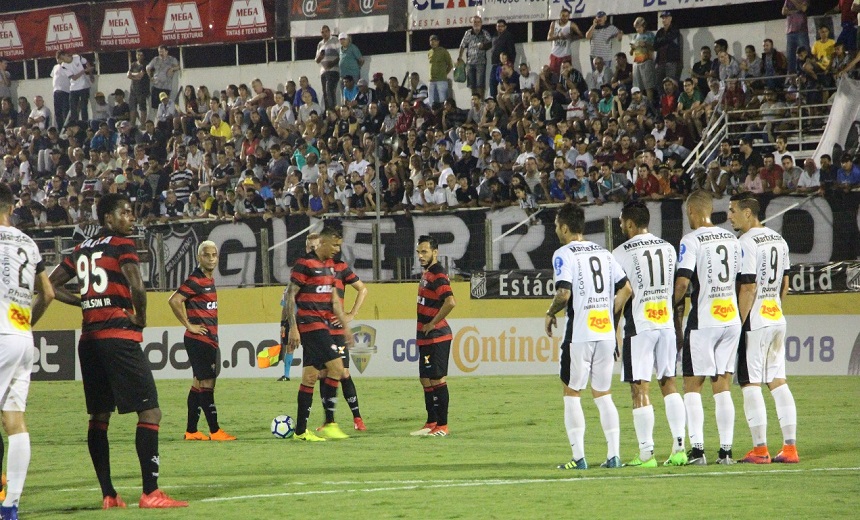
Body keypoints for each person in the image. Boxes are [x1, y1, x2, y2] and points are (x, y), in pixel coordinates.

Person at [34, 193, 187, 508]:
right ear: (108, 219)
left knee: (99, 417)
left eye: (131, 212)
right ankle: (150, 493)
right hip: (118, 336)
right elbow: (138, 287)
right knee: (150, 411)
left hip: (88, 340)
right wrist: (140, 319)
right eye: (125, 213)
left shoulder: (79, 249)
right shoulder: (122, 245)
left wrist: (83, 301)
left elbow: (48, 285)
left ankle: (109, 495)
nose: (131, 217)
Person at [546, 203, 632, 470]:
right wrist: (609, 315)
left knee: (572, 392)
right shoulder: (604, 253)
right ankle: (614, 456)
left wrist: (550, 312)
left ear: (565, 227)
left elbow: (564, 293)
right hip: (605, 333)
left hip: (580, 333)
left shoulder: (564, 253)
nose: (556, 230)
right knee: (603, 394)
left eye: (557, 225)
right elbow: (626, 289)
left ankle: (579, 458)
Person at [613, 201, 688, 467]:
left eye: (622, 222)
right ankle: (680, 449)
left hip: (640, 326)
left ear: (630, 223)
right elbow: (678, 288)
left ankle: (646, 454)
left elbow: (623, 295)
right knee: (669, 384)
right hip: (665, 323)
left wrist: (612, 326)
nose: (621, 226)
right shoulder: (668, 248)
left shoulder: (620, 253)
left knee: (639, 388)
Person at [728, 194, 799, 465]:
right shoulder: (778, 240)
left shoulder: (745, 243)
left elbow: (748, 286)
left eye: (733, 210)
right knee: (778, 382)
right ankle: (790, 448)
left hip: (754, 321)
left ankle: (760, 449)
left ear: (748, 213)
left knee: (750, 383)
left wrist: (739, 322)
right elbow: (785, 283)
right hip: (775, 316)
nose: (730, 216)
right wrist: (776, 309)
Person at [673, 190, 741, 465]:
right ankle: (726, 452)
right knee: (722, 385)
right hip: (730, 318)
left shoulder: (691, 240)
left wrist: (667, 306)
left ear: (692, 210)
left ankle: (698, 450)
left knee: (692, 384)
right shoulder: (731, 238)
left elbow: (682, 282)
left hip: (704, 321)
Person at [0, 183, 54, 520]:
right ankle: (10, 507)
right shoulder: (28, 242)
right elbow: (47, 292)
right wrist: (25, 322)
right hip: (22, 337)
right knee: (15, 421)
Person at [284, 227, 353, 441]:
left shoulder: (331, 267)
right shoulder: (304, 264)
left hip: (321, 325)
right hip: (309, 325)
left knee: (310, 376)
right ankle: (330, 422)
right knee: (338, 369)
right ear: (322, 243)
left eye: (339, 246)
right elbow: (290, 296)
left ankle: (301, 431)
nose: (336, 249)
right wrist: (293, 327)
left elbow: (334, 301)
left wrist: (346, 327)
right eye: (334, 245)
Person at [168, 241, 236, 442]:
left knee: (198, 384)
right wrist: (189, 325)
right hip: (200, 339)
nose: (212, 258)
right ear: (199, 257)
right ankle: (215, 431)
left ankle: (191, 431)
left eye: (214, 254)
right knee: (207, 383)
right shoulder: (196, 279)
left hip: (206, 339)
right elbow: (174, 300)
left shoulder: (208, 279)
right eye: (207, 255)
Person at [316, 252, 369, 431]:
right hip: (319, 330)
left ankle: (357, 418)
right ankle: (329, 421)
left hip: (337, 330)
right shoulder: (311, 268)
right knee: (323, 374)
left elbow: (363, 289)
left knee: (343, 372)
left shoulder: (341, 268)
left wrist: (351, 314)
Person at [410, 236, 456, 437]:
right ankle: (431, 422)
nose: (420, 256)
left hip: (437, 336)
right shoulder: (427, 273)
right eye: (419, 252)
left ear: (435, 252)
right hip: (425, 336)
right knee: (425, 379)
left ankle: (443, 426)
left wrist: (433, 322)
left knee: (437, 379)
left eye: (425, 252)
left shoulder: (438, 274)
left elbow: (450, 302)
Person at [279, 234, 320, 381]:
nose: (313, 248)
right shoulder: (300, 269)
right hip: (296, 318)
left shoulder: (324, 270)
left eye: (315, 246)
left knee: (313, 348)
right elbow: (286, 303)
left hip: (313, 317)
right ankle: (287, 375)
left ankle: (317, 374)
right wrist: (283, 323)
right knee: (290, 345)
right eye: (310, 246)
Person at [458, 16, 493, 98]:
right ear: (472, 23)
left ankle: (481, 103)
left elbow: (491, 43)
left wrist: (483, 46)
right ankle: (475, 102)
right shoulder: (468, 33)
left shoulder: (485, 33)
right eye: (475, 22)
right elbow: (462, 45)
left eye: (478, 22)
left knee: (480, 85)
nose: (476, 23)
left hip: (481, 62)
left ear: (481, 23)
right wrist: (459, 57)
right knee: (472, 85)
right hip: (470, 63)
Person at [654, 12, 682, 94]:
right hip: (660, 62)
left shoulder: (675, 30)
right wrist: (663, 40)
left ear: (670, 18)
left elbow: (668, 39)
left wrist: (661, 41)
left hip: (671, 62)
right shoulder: (660, 32)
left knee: (671, 83)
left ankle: (673, 102)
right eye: (663, 18)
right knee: (659, 84)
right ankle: (663, 101)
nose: (664, 20)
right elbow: (655, 46)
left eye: (666, 17)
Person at [147, 46, 180, 112]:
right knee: (156, 107)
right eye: (159, 52)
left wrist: (172, 69)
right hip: (156, 86)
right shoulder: (155, 59)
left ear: (166, 52)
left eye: (162, 51)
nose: (160, 53)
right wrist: (150, 77)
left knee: (166, 105)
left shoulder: (171, 59)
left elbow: (178, 66)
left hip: (166, 86)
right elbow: (148, 67)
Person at [316, 25, 340, 110]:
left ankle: (333, 110)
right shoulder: (320, 44)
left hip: (333, 70)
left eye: (326, 31)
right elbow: (317, 60)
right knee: (325, 93)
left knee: (329, 90)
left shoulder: (335, 40)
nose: (325, 33)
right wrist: (321, 57)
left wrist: (332, 64)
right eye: (323, 32)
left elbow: (340, 54)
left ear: (329, 32)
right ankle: (328, 112)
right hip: (323, 72)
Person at [783, 0, 810, 74]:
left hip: (801, 31)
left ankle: (806, 74)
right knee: (790, 55)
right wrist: (795, 11)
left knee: (804, 53)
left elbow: (803, 8)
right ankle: (792, 78)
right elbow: (784, 12)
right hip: (790, 31)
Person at [428, 34, 454, 106]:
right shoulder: (429, 52)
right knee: (431, 101)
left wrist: (443, 74)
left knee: (442, 101)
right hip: (431, 80)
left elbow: (450, 65)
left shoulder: (444, 51)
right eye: (431, 41)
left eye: (435, 41)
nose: (433, 42)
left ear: (438, 42)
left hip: (441, 80)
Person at [128, 50, 150, 126]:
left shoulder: (145, 64)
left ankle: (143, 124)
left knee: (142, 108)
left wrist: (133, 75)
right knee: (133, 108)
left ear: (143, 56)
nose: (139, 57)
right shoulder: (133, 64)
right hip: (133, 90)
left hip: (142, 90)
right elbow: (128, 74)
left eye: (141, 55)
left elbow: (140, 75)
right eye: (138, 55)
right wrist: (135, 76)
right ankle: (132, 124)